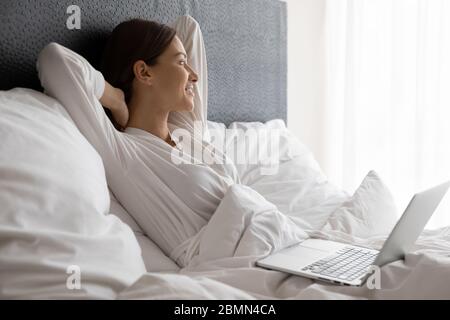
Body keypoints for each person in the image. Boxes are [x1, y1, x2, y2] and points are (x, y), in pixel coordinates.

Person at [37, 15, 240, 267]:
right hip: (232, 259)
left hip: (276, 238)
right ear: (143, 72)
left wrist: (172, 56)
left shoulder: (187, 130)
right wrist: (117, 100)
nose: (194, 76)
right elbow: (54, 60)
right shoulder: (124, 152)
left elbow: (189, 26)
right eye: (182, 63)